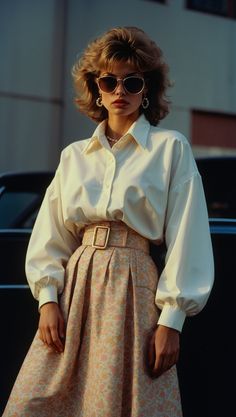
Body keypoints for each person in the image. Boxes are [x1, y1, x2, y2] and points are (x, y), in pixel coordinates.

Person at [3, 26, 214, 417]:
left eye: (132, 82)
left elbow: (188, 235)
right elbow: (51, 233)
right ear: (96, 88)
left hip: (134, 291)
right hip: (75, 292)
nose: (120, 90)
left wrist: (172, 320)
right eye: (109, 80)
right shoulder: (75, 156)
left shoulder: (170, 150)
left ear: (146, 89)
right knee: (30, 403)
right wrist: (48, 299)